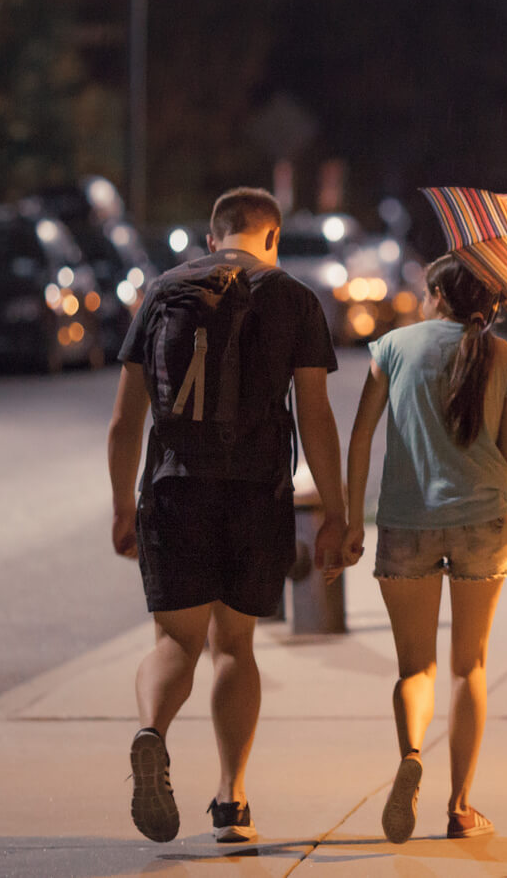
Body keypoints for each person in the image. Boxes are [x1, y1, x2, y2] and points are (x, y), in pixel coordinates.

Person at [107, 187, 347, 844]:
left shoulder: (161, 292)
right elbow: (317, 416)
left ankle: (152, 730)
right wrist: (336, 510)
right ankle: (232, 799)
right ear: (270, 237)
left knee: (175, 642)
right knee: (234, 645)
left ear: (213, 237)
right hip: (254, 491)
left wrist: (123, 504)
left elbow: (126, 420)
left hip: (175, 488)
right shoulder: (294, 297)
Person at [344, 253, 507, 844]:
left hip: (405, 523)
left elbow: (361, 437)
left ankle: (412, 754)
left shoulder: (396, 348)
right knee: (468, 664)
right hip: (480, 523)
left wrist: (351, 519)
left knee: (414, 667)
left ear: (437, 296)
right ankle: (460, 808)